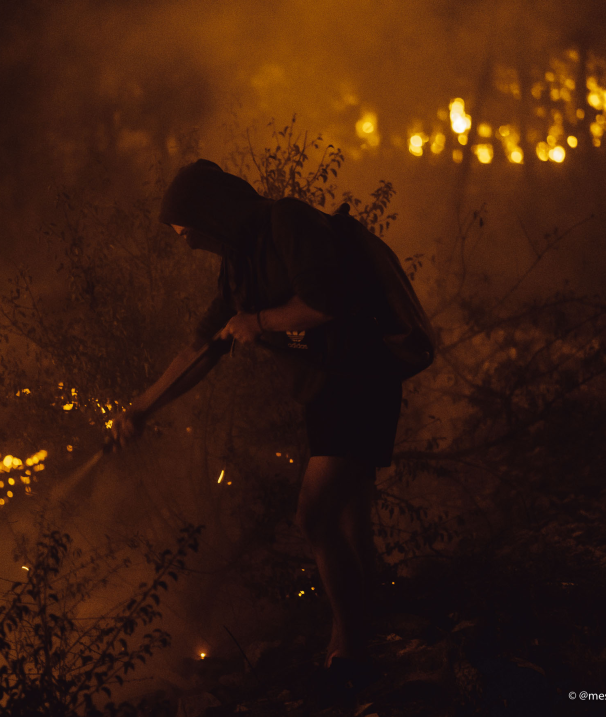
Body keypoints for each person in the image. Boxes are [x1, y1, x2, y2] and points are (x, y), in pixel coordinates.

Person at [111, 159, 403, 686]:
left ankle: (352, 651)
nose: (187, 244)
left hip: (360, 378)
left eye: (187, 231)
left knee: (314, 516)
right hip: (325, 391)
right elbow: (201, 348)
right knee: (349, 520)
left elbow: (327, 302)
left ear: (209, 213)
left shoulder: (286, 221)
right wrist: (142, 408)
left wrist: (260, 321)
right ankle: (368, 639)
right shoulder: (238, 267)